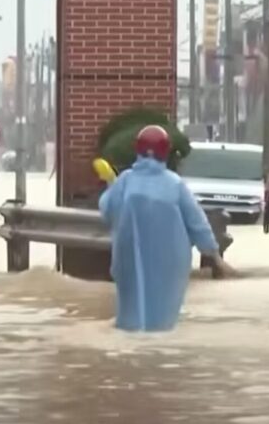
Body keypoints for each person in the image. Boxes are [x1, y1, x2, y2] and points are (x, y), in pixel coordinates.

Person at [98, 125, 236, 332]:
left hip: (129, 262)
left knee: (130, 321)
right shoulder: (175, 184)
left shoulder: (125, 181)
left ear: (138, 150)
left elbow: (107, 210)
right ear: (165, 152)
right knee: (163, 323)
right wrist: (215, 257)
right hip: (169, 265)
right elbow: (197, 223)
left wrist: (111, 184)